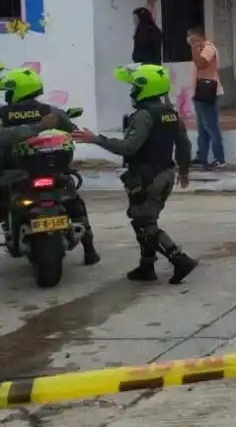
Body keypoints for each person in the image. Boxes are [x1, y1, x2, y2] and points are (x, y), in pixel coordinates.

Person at [72, 64, 198, 284]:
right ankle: (146, 266)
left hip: (146, 177)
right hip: (165, 173)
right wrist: (184, 170)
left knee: (143, 223)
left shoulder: (143, 116)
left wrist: (96, 139)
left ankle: (179, 259)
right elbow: (184, 145)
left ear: (145, 88)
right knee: (147, 219)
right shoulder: (170, 114)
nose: (132, 92)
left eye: (134, 87)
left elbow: (128, 147)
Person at [0, 68, 100, 265]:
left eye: (9, 91)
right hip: (53, 171)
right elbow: (73, 131)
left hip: (13, 175)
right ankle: (90, 249)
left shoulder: (3, 114)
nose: (7, 95)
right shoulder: (51, 112)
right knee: (75, 204)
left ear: (16, 91)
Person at [187, 26, 225, 169]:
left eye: (191, 36)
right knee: (202, 128)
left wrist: (195, 48)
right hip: (198, 93)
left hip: (208, 92)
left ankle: (219, 157)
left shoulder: (208, 48)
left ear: (198, 36)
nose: (189, 39)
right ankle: (201, 155)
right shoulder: (200, 48)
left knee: (211, 126)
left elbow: (201, 64)